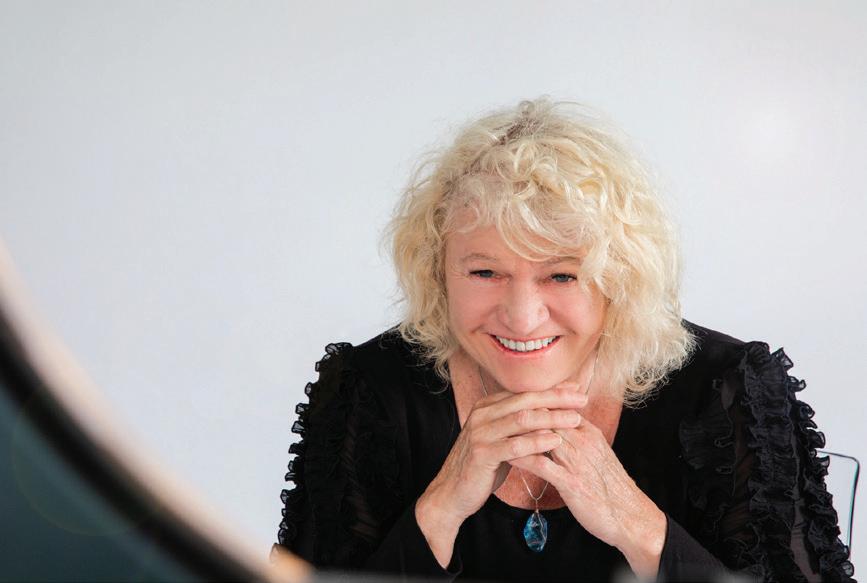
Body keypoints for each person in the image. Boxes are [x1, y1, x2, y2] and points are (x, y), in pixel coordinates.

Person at [274, 99, 855, 582]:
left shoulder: (729, 390)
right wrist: (439, 510)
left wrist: (639, 527)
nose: (522, 318)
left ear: (619, 279)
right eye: (485, 272)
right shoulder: (368, 390)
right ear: (437, 273)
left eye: (561, 275)